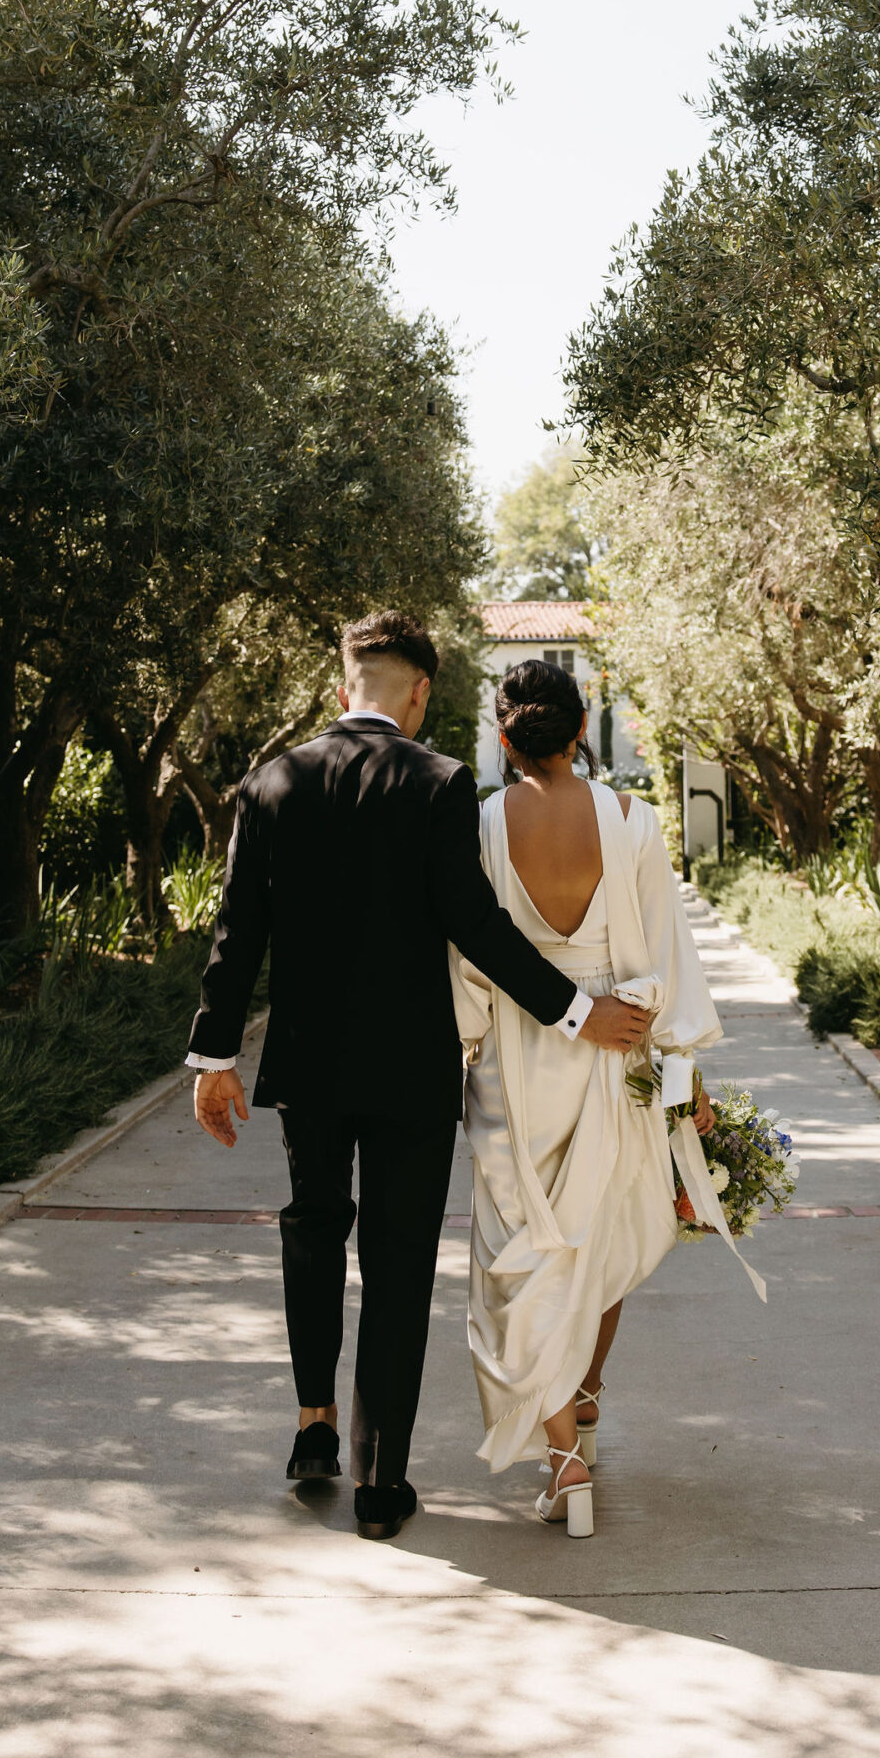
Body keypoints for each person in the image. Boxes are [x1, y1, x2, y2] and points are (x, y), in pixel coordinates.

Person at [185, 610, 650, 1541]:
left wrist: (215, 1057)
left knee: (312, 1230)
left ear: (342, 682)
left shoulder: (271, 781)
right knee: (396, 1263)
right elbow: (476, 926)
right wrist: (577, 1012)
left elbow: (239, 931)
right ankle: (378, 1480)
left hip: (309, 1069)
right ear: (421, 690)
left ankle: (312, 1427)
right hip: (409, 1068)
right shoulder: (436, 783)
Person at [451, 656, 722, 1539]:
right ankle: (587, 1403)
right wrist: (687, 1083)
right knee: (598, 1244)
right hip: (618, 1048)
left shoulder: (480, 826)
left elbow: (468, 965)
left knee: (523, 1252)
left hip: (517, 1063)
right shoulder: (633, 821)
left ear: (502, 737)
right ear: (581, 729)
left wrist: (463, 1051)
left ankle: (563, 1457)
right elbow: (668, 962)